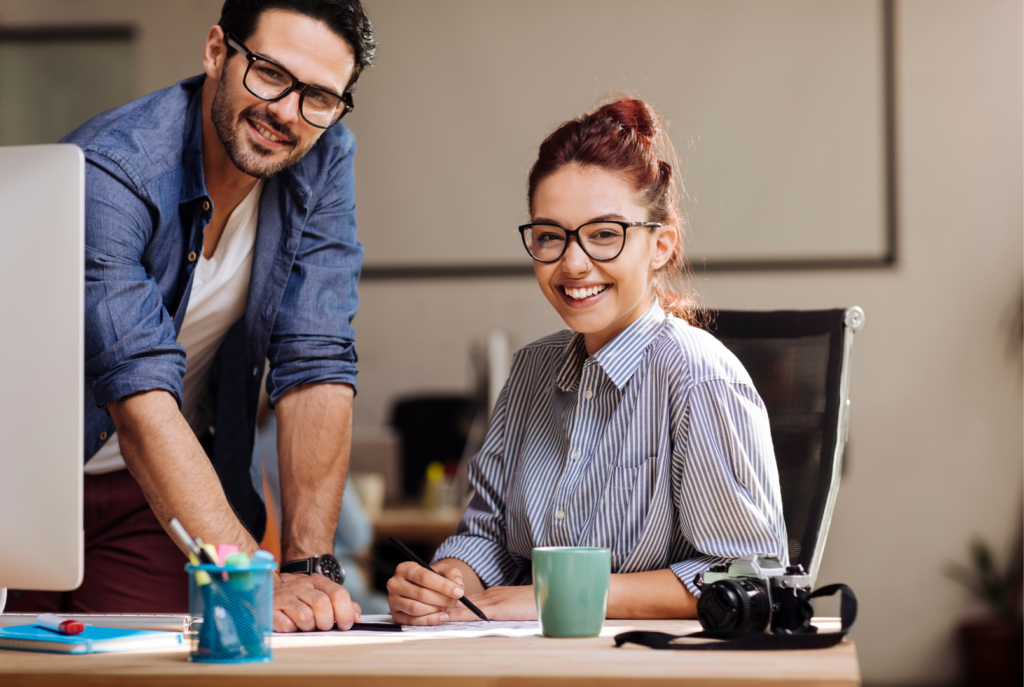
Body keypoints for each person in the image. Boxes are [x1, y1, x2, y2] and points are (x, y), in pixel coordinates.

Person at [6, 0, 375, 633]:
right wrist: (249, 575)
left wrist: (311, 567)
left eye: (319, 96)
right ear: (215, 52)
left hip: (152, 491)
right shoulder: (114, 168)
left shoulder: (322, 155)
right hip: (21, 474)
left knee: (144, 673)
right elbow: (138, 388)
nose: (287, 112)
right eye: (269, 73)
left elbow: (315, 358)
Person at [386, 98, 788, 624]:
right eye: (550, 236)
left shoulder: (698, 377)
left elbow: (747, 575)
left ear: (661, 245)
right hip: (527, 663)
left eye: (604, 234)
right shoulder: (532, 371)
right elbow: (486, 536)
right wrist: (447, 585)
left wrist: (555, 596)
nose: (573, 264)